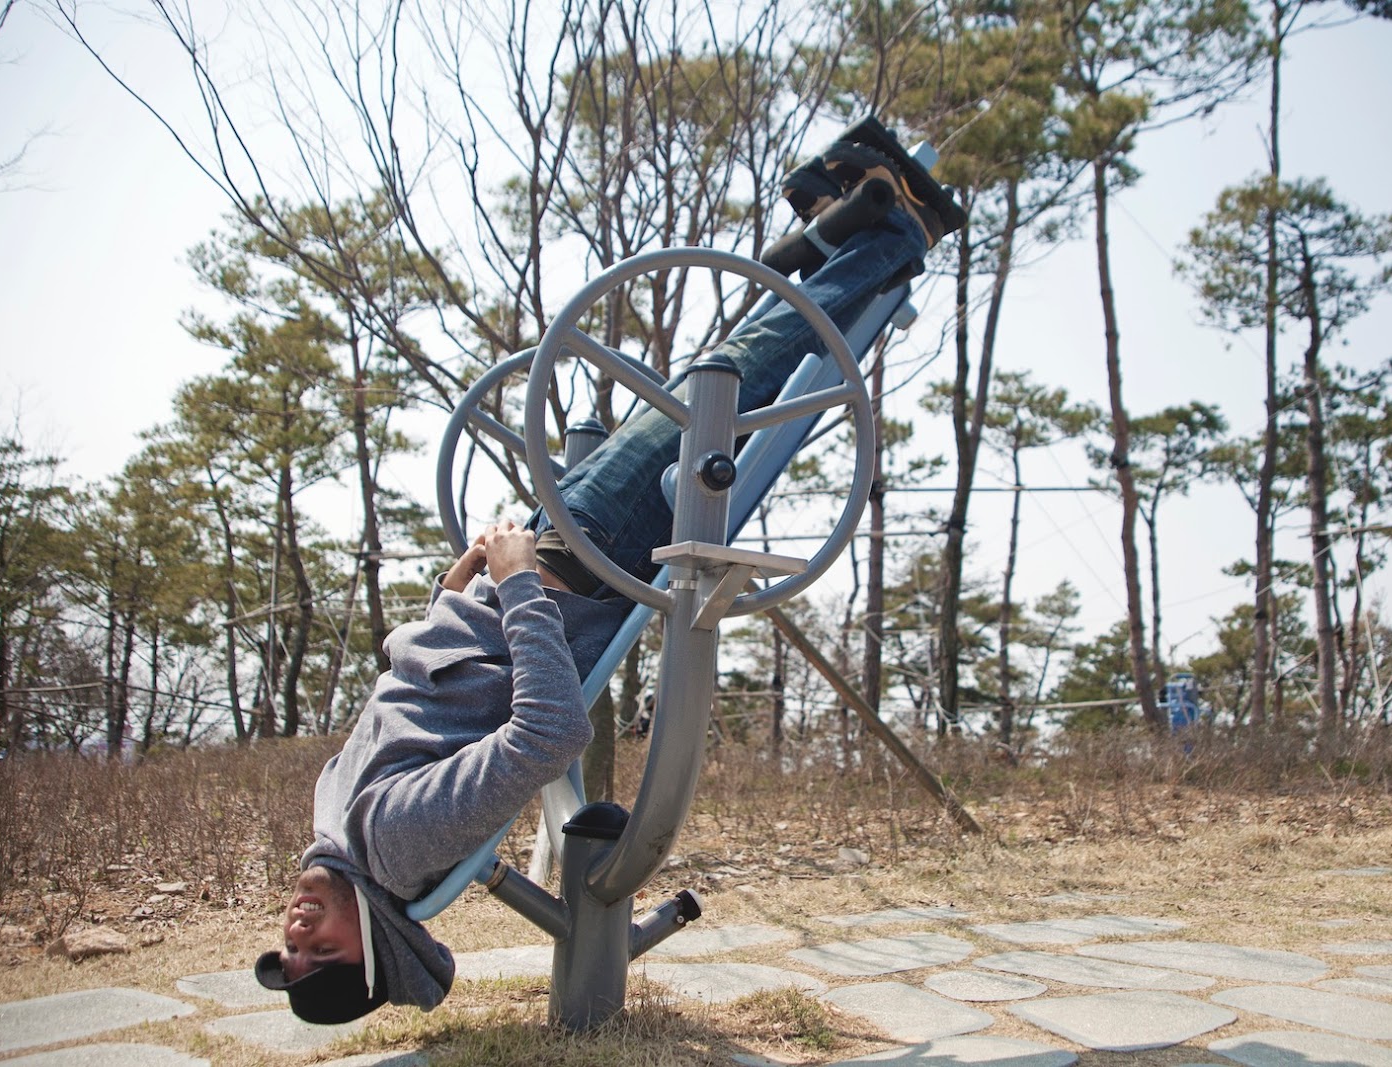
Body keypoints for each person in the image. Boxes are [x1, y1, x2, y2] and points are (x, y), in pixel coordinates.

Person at [254, 121, 967, 1025]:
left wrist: (454, 588)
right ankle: (893, 234)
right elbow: (547, 734)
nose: (300, 931)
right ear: (379, 944)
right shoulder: (394, 845)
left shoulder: (341, 829)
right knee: (734, 376)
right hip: (568, 572)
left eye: (290, 950)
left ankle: (842, 232)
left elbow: (419, 700)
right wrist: (519, 581)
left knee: (718, 374)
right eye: (323, 952)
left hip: (530, 568)